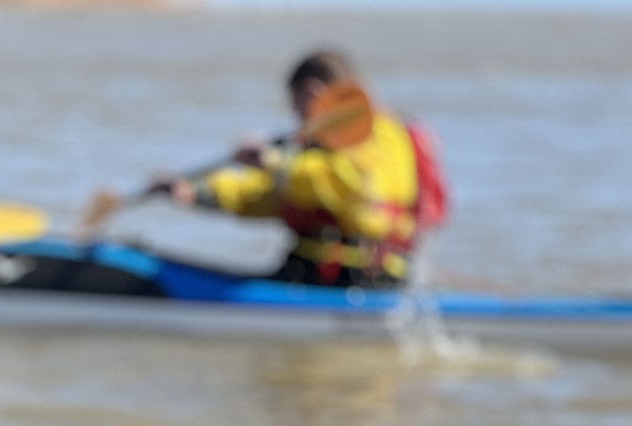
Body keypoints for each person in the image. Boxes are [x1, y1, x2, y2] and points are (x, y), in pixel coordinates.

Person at [150, 50, 448, 288]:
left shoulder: (379, 133)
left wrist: (274, 162)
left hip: (361, 277)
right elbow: (267, 195)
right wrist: (197, 192)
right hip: (311, 271)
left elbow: (352, 186)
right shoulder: (317, 145)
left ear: (314, 93)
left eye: (297, 105)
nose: (297, 117)